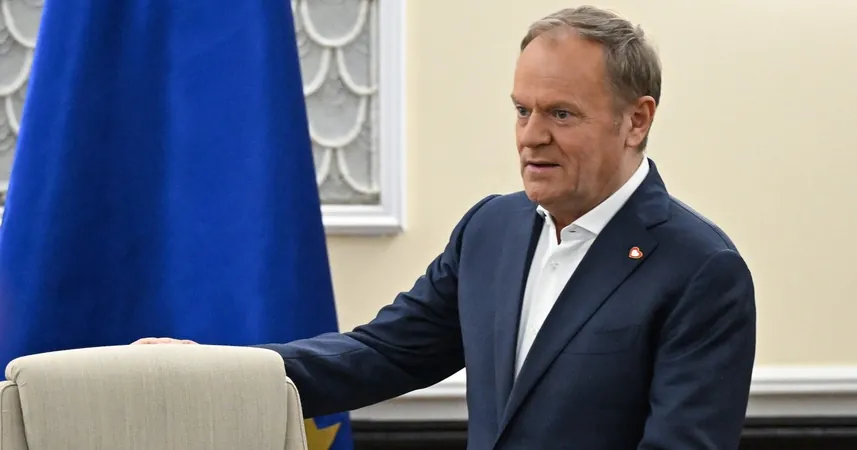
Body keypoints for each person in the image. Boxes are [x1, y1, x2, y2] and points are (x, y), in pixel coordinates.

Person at [135, 6, 756, 449]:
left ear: (637, 120)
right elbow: (380, 354)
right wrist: (220, 371)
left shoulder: (701, 271)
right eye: (522, 110)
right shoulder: (492, 230)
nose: (531, 136)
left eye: (561, 114)